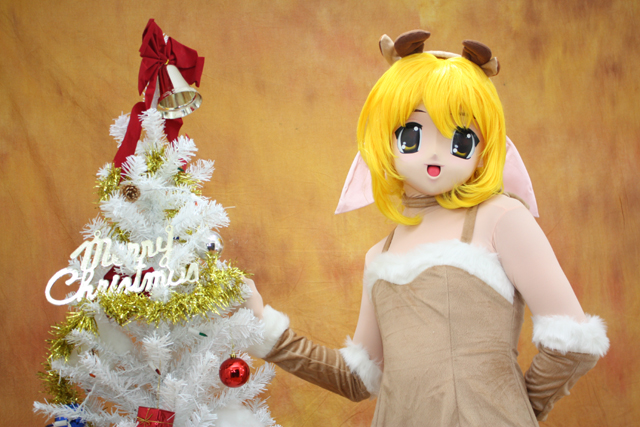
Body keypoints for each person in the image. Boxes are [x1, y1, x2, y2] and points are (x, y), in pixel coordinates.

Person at [242, 30, 609, 426]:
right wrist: (263, 328)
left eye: (461, 138)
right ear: (386, 139)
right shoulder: (379, 255)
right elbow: (358, 378)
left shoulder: (501, 217)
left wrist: (508, 410)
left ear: (485, 148)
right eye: (412, 134)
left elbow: (573, 344)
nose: (435, 152)